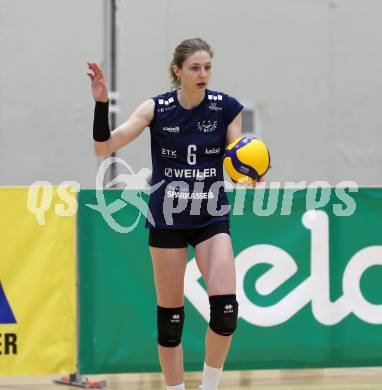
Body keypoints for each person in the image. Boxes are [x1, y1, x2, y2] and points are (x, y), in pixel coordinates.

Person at [87, 37, 265, 390]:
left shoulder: (226, 108)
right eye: (195, 68)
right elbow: (103, 146)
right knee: (171, 320)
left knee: (226, 313)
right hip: (167, 219)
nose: (203, 74)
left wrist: (249, 174)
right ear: (178, 70)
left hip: (210, 218)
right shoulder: (156, 108)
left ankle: (209, 387)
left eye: (208, 67)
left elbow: (237, 158)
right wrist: (102, 104)